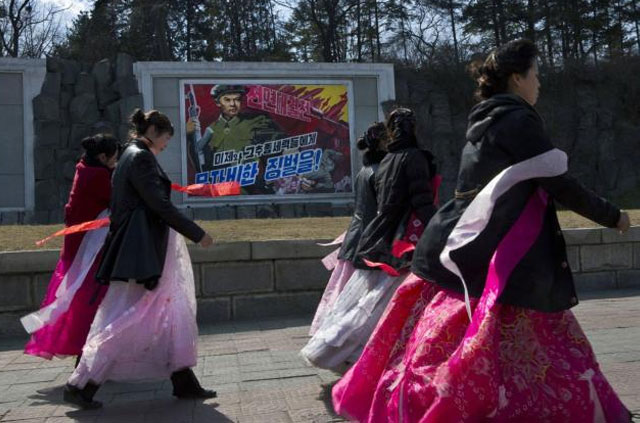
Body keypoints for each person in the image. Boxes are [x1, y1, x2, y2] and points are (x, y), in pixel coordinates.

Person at [332, 39, 633, 423]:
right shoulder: (518, 120)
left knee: (463, 346)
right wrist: (612, 216)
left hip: (471, 248)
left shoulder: (485, 120)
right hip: (499, 261)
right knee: (534, 351)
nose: (539, 83)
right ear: (516, 78)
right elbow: (560, 183)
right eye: (535, 74)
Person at [64, 109, 216, 409]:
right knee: (129, 318)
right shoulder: (140, 158)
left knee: (163, 312)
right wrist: (197, 233)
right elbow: (159, 204)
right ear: (155, 132)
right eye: (167, 138)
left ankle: (183, 381)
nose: (167, 144)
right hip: (141, 252)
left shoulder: (130, 156)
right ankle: (81, 384)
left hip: (140, 250)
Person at [301, 108, 439, 372]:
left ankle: (337, 348)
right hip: (404, 239)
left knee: (368, 300)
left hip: (377, 236)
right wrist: (440, 226)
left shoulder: (384, 162)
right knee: (383, 304)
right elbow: (421, 200)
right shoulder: (414, 158)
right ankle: (361, 354)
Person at [22, 134, 119, 361]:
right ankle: (82, 349)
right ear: (102, 157)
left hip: (78, 246)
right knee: (84, 300)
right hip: (87, 250)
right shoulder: (97, 177)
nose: (116, 162)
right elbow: (117, 197)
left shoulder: (84, 168)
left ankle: (77, 347)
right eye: (114, 158)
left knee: (68, 298)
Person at [309, 122, 387, 336]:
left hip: (356, 238)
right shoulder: (381, 172)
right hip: (370, 242)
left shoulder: (364, 171)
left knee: (342, 297)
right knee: (359, 301)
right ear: (383, 142)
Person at [186, 84, 283, 172]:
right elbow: (201, 163)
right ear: (218, 103)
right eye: (227, 100)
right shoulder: (211, 129)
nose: (233, 104)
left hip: (252, 180)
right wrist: (190, 135)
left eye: (237, 99)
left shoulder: (257, 121)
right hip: (222, 183)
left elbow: (279, 142)